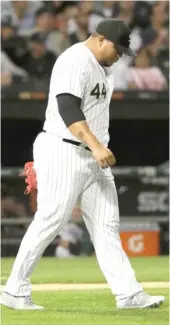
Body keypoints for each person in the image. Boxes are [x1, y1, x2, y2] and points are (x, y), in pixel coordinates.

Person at [1, 18, 165, 311]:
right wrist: (95, 145)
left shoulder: (104, 66)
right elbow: (67, 107)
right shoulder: (75, 60)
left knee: (107, 224)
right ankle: (14, 289)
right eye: (117, 49)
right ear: (101, 39)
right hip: (65, 150)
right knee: (52, 218)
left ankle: (128, 293)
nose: (119, 56)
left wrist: (95, 147)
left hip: (89, 153)